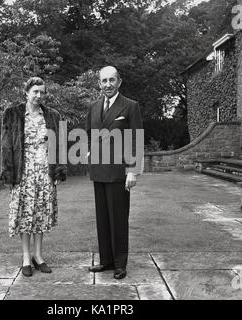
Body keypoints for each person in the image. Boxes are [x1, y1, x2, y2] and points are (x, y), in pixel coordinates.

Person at [0, 77, 66, 277]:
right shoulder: (11, 114)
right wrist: (8, 174)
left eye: (42, 92)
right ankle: (26, 257)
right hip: (23, 173)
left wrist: (58, 171)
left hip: (45, 172)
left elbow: (60, 145)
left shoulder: (53, 115)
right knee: (24, 215)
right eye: (35, 91)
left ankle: (39, 256)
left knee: (41, 214)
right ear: (26, 92)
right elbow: (5, 146)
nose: (39, 95)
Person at [86, 66, 143, 280]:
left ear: (119, 82)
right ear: (99, 83)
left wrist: (133, 171)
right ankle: (106, 261)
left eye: (112, 80)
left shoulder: (130, 106)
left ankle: (120, 264)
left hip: (119, 172)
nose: (108, 84)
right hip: (98, 171)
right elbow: (89, 134)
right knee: (102, 218)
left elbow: (136, 139)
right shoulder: (93, 107)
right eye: (104, 81)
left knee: (118, 218)